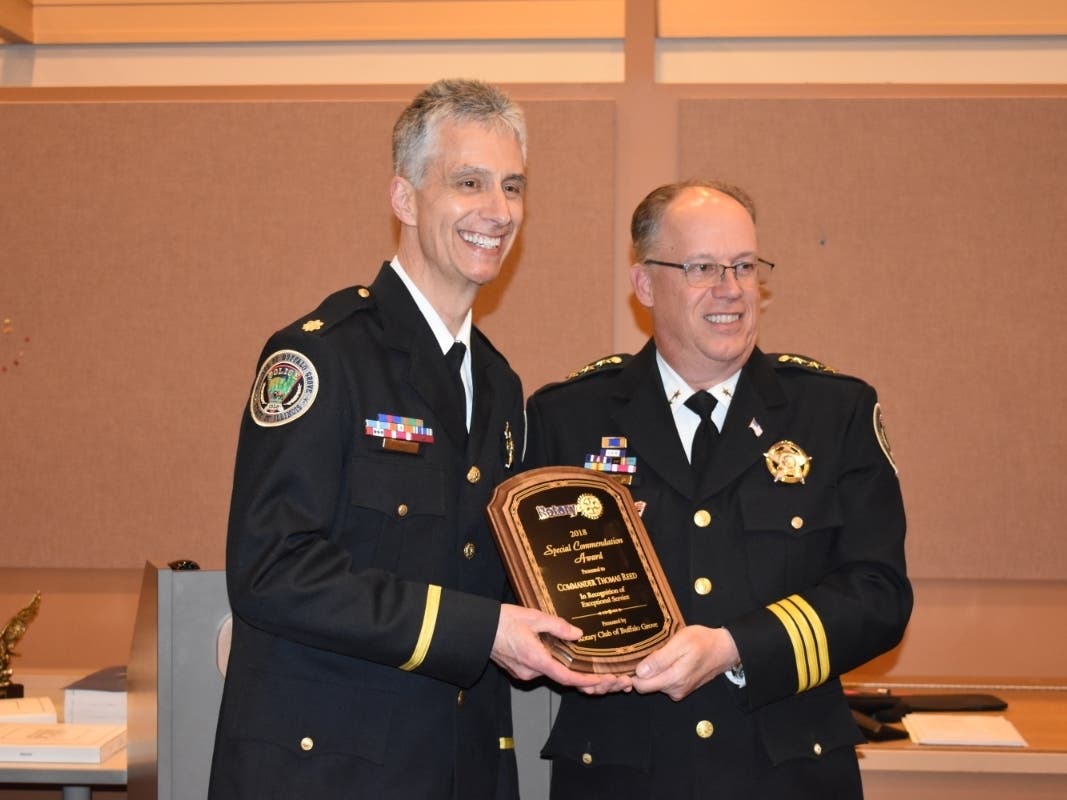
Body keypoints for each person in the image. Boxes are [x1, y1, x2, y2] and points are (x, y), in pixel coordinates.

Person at [208, 78, 618, 800]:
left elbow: (483, 570)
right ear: (404, 198)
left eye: (513, 187)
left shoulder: (498, 385)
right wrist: (482, 629)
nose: (497, 212)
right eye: (468, 183)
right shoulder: (321, 359)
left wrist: (595, 586)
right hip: (327, 771)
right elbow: (272, 570)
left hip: (461, 766)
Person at [524, 179, 913, 798]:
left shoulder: (833, 413)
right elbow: (524, 595)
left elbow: (879, 595)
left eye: (745, 266)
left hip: (787, 774)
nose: (730, 288)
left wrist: (735, 647)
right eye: (703, 267)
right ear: (645, 284)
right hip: (624, 774)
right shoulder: (567, 418)